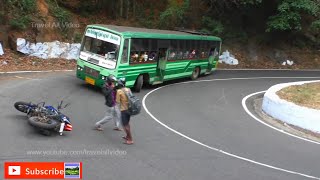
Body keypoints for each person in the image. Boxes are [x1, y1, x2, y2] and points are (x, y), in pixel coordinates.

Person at [116, 78, 134, 145]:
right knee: (127, 124)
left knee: (125, 125)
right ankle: (127, 136)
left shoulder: (119, 91)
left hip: (124, 110)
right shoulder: (128, 89)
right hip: (129, 109)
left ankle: (130, 139)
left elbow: (117, 101)